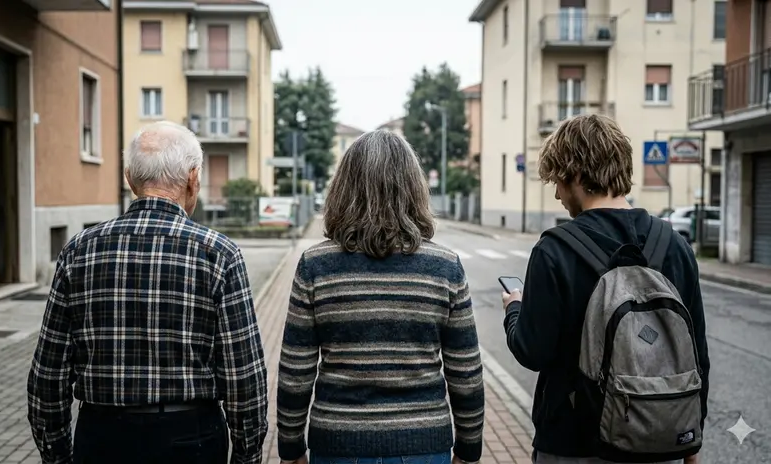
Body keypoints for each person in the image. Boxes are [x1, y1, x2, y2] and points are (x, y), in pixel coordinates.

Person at [26, 121, 269, 464]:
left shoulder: (78, 251)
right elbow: (243, 375)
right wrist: (247, 455)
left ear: (129, 178)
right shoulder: (219, 254)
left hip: (101, 437)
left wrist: (57, 455)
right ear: (193, 178)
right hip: (191, 438)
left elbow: (48, 374)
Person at [501, 114, 709, 464]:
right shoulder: (674, 246)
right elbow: (697, 354)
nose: (556, 193)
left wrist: (514, 308)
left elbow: (531, 352)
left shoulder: (554, 250)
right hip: (658, 440)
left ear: (577, 176)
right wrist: (692, 435)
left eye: (559, 181)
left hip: (572, 442)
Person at [276, 130, 485, 464]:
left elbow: (295, 368)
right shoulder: (445, 267)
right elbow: (465, 370)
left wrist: (290, 445)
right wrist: (469, 447)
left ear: (343, 188)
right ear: (414, 189)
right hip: (424, 444)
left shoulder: (316, 266)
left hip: (337, 442)